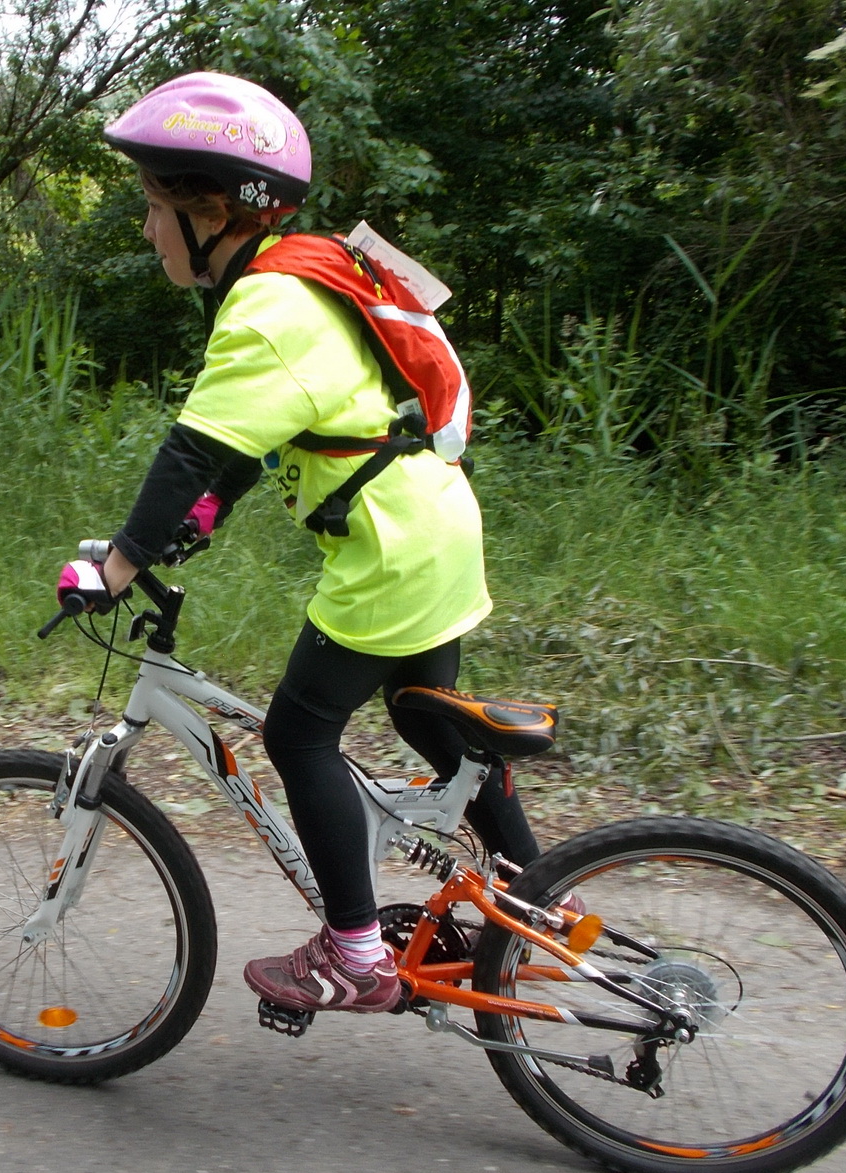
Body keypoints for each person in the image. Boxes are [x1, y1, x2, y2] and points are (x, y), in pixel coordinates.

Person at [57, 72, 541, 1015]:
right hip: (435, 527)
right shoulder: (308, 275)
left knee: (298, 732)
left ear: (207, 209)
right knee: (424, 715)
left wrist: (116, 568)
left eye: (154, 207)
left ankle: (355, 955)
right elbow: (256, 440)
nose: (147, 229)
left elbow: (192, 450)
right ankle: (537, 891)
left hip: (389, 556)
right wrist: (198, 520)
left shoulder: (267, 310)